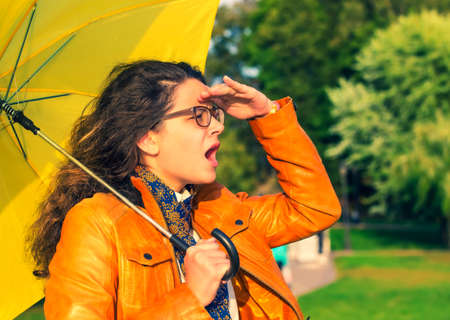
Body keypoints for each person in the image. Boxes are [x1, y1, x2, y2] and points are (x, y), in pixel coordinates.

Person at [29, 60, 341, 320]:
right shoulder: (97, 223)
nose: (218, 126)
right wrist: (191, 297)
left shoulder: (220, 207)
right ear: (148, 137)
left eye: (214, 113)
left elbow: (314, 207)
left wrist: (267, 116)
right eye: (199, 116)